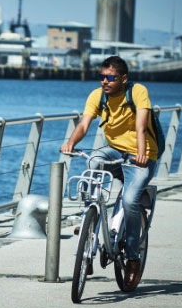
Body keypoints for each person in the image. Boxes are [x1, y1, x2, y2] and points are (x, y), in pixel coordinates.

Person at [60, 55, 157, 287]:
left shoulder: (138, 92)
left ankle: (133, 258)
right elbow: (84, 124)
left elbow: (141, 127)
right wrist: (71, 143)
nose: (105, 81)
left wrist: (142, 154)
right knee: (93, 160)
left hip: (141, 156)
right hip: (114, 151)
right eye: (102, 77)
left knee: (131, 201)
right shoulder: (97, 95)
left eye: (110, 77)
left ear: (123, 79)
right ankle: (90, 220)